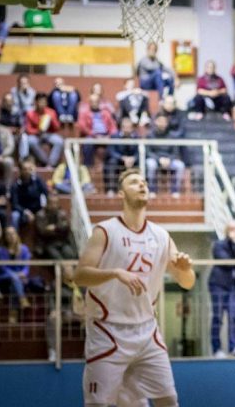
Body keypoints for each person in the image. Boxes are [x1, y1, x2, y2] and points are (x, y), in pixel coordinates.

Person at [73, 169, 195, 407]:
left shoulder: (161, 235)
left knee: (169, 399)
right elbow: (80, 276)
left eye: (144, 182)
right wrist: (115, 273)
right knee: (98, 404)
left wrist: (185, 268)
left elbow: (187, 282)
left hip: (146, 330)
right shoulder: (105, 231)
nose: (142, 185)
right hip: (107, 330)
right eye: (134, 182)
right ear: (121, 193)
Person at [209, 220, 235, 358]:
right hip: (218, 284)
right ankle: (217, 349)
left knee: (234, 317)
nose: (234, 231)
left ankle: (234, 347)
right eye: (231, 229)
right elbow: (224, 260)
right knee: (218, 317)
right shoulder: (219, 244)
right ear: (227, 230)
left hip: (234, 285)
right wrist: (232, 244)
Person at [146, 115, 185, 198]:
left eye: (164, 122)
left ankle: (175, 190)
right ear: (156, 122)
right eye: (160, 121)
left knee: (180, 165)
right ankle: (152, 190)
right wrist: (158, 159)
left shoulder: (172, 136)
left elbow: (175, 152)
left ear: (167, 123)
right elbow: (148, 152)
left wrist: (169, 160)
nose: (162, 124)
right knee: (150, 164)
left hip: (169, 160)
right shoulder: (150, 135)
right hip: (155, 159)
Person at [22, 93, 64, 168]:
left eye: (44, 102)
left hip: (48, 134)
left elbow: (57, 128)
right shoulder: (30, 113)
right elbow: (28, 129)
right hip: (35, 135)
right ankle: (45, 161)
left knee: (59, 141)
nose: (42, 104)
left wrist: (52, 120)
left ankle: (51, 163)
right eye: (40, 102)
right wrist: (37, 132)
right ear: (36, 102)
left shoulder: (51, 112)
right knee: (31, 141)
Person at [0, 226, 32, 311]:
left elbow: (26, 266)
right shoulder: (0, 250)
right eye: (8, 234)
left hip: (19, 278)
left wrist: (23, 273)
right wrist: (15, 275)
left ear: (16, 235)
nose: (11, 236)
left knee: (14, 284)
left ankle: (13, 312)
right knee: (14, 279)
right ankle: (22, 298)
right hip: (4, 277)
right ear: (5, 237)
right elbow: (3, 268)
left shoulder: (24, 249)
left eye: (13, 233)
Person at [78, 93, 118, 166]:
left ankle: (110, 166)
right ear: (89, 103)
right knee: (87, 143)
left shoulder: (106, 113)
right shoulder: (85, 113)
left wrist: (109, 136)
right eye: (92, 101)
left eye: (96, 101)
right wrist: (94, 135)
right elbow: (82, 126)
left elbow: (113, 127)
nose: (94, 103)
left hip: (106, 135)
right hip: (92, 136)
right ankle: (88, 166)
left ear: (99, 103)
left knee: (116, 140)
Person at [104, 118, 139, 196]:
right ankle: (111, 190)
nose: (127, 129)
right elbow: (111, 151)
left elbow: (139, 152)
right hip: (118, 159)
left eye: (129, 127)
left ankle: (137, 190)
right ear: (121, 127)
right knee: (111, 162)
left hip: (132, 160)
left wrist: (133, 158)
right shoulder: (114, 136)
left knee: (142, 162)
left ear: (132, 128)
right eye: (125, 127)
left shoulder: (136, 137)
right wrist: (122, 158)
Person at [34, 194, 76, 260]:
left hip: (62, 242)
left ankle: (68, 268)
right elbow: (43, 232)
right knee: (58, 259)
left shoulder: (62, 214)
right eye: (51, 203)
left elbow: (66, 227)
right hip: (47, 243)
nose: (54, 205)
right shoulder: (40, 215)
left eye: (56, 203)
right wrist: (59, 230)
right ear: (47, 204)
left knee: (71, 255)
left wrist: (55, 228)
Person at [10, 158, 48, 228]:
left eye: (29, 169)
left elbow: (45, 193)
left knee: (44, 215)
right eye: (25, 169)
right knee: (14, 215)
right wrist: (26, 212)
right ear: (20, 171)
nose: (27, 171)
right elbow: (15, 204)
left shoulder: (37, 180)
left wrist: (43, 206)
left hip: (37, 208)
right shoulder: (15, 185)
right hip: (23, 211)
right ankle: (14, 237)